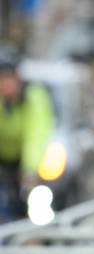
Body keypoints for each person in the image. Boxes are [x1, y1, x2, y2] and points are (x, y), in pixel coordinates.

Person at [0, 51, 54, 222]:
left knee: (34, 204)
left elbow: (36, 135)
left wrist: (29, 170)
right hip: (4, 159)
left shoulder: (34, 96)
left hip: (29, 163)